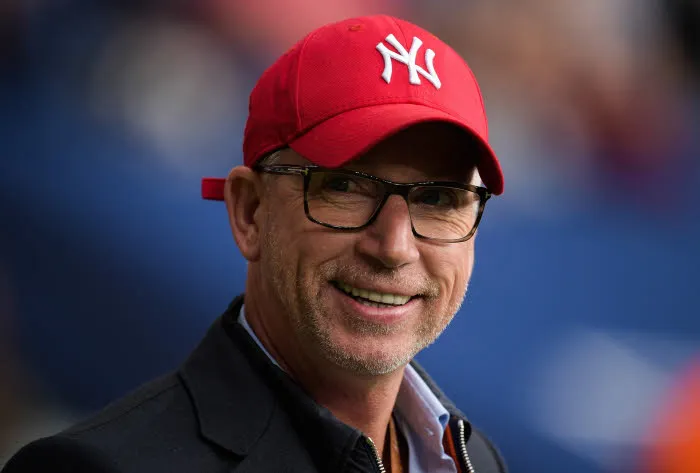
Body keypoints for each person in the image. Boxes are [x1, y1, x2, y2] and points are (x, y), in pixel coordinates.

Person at [3, 15, 507, 473]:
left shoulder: (474, 459)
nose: (394, 247)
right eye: (344, 187)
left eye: (439, 198)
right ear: (249, 211)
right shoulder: (94, 469)